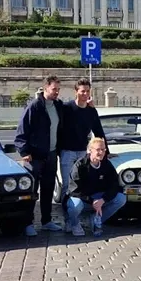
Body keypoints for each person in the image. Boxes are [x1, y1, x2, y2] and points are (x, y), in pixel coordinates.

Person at [15, 75, 64, 235]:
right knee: (31, 191)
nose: (56, 92)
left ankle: (46, 221)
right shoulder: (34, 107)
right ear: (45, 88)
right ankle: (28, 223)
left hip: (51, 154)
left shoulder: (58, 106)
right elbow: (22, 131)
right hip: (35, 156)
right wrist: (24, 152)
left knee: (48, 189)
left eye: (58, 89)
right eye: (54, 89)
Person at [59, 78, 106, 209]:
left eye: (87, 91)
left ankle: (81, 211)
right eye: (82, 91)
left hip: (82, 153)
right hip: (67, 152)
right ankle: (67, 216)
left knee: (82, 185)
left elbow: (99, 131)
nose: (85, 94)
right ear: (76, 92)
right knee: (67, 186)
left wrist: (106, 151)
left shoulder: (91, 111)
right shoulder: (66, 108)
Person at [65, 137, 126, 237]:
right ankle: (74, 224)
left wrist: (103, 200)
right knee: (75, 206)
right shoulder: (80, 165)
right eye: (98, 149)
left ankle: (95, 220)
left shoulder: (107, 164)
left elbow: (114, 185)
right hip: (83, 199)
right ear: (90, 150)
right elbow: (74, 190)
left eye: (103, 150)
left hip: (99, 198)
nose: (101, 152)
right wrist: (92, 201)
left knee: (121, 199)